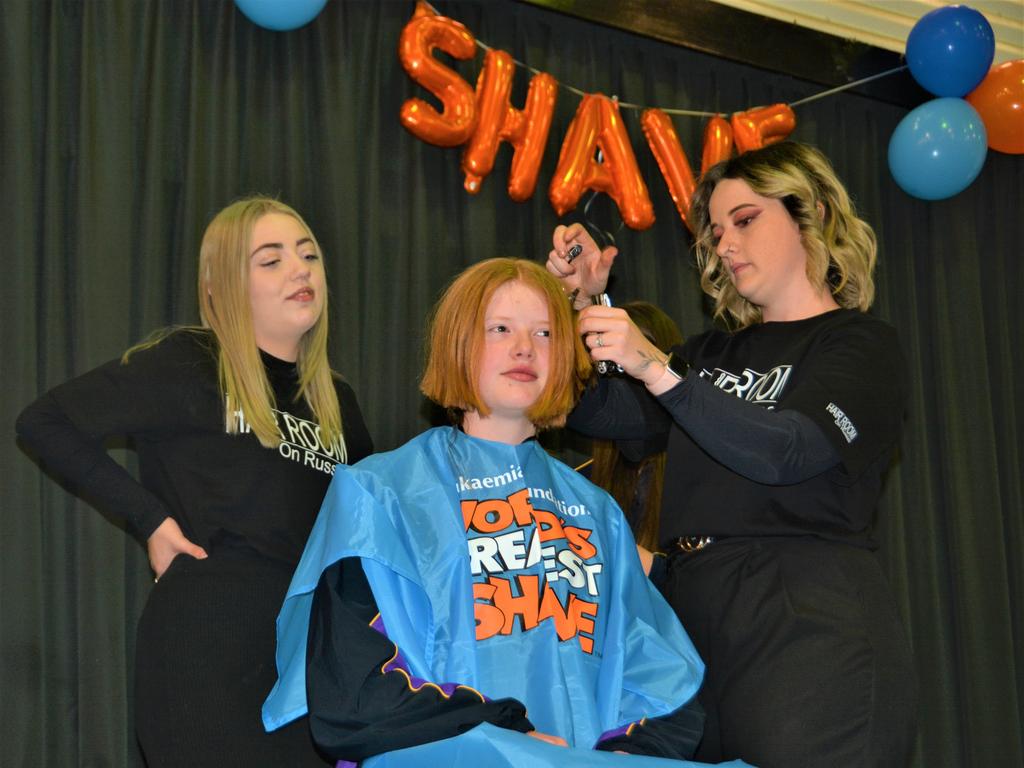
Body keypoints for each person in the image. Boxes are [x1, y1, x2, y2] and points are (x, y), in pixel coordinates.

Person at [262, 258, 740, 767]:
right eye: (500, 329)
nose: (524, 348)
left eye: (545, 333)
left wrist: (602, 759)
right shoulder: (379, 494)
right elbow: (353, 699)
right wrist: (503, 733)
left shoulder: (597, 513)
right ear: (458, 343)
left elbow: (666, 686)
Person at [546, 142, 918, 766]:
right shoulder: (710, 355)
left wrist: (659, 370)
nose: (724, 245)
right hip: (693, 625)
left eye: (745, 220)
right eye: (716, 231)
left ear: (815, 215)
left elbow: (788, 450)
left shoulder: (861, 346)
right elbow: (605, 415)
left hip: (805, 624)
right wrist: (576, 306)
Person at [16, 197, 373, 767]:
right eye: (271, 259)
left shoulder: (338, 403)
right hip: (208, 646)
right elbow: (44, 422)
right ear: (221, 283)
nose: (300, 269)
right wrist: (151, 519)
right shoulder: (188, 363)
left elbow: (366, 539)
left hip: (309, 664)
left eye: (309, 255)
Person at [584, 301, 683, 552]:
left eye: (634, 353)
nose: (624, 369)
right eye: (611, 360)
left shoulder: (694, 472)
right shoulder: (582, 483)